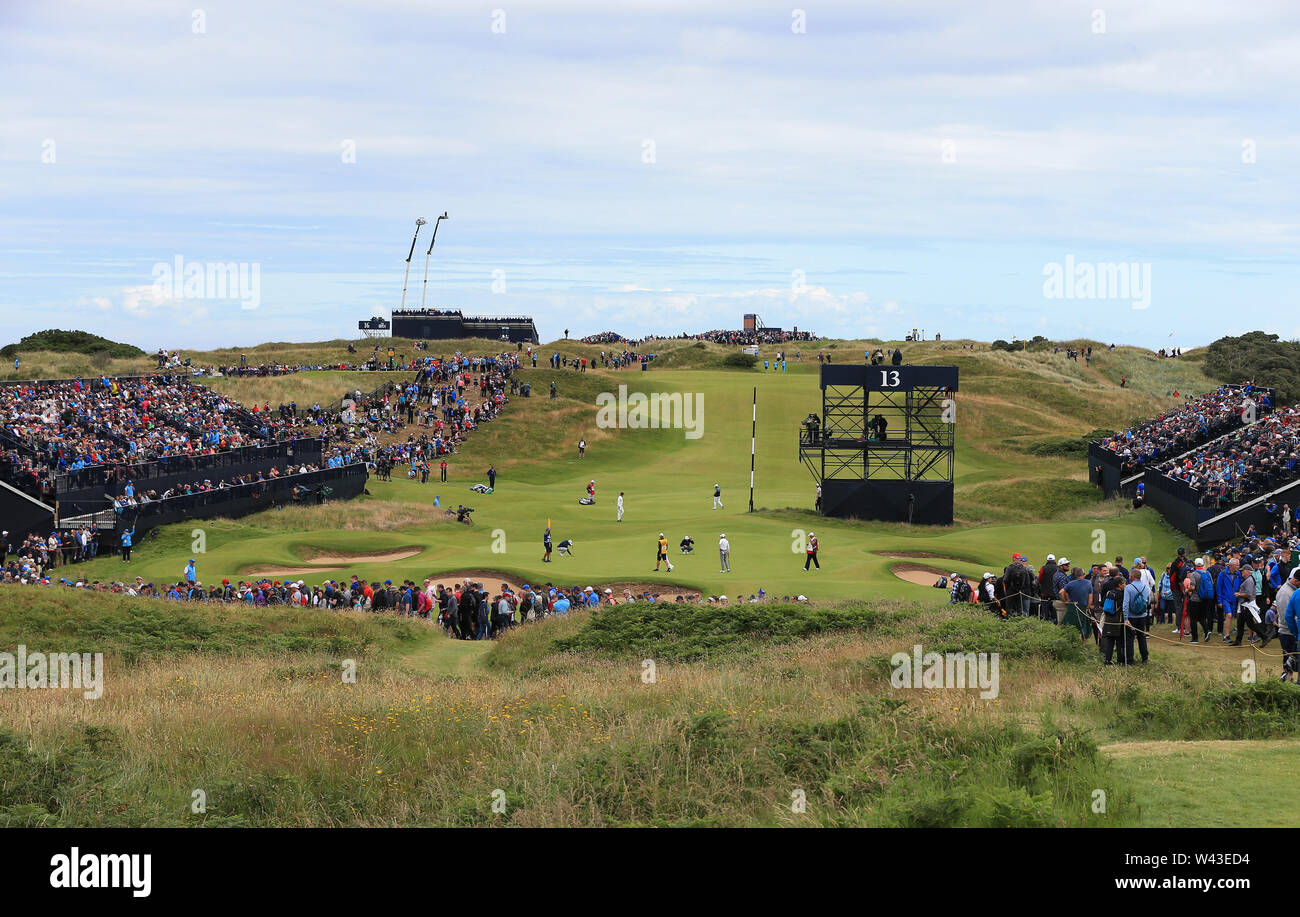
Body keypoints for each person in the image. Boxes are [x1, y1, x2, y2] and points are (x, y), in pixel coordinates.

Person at [1122, 567, 1152, 663]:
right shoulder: (1146, 587)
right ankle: (1145, 658)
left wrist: (1125, 618)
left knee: (1129, 639)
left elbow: (1125, 604)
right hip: (1142, 615)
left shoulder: (1128, 588)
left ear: (1132, 576)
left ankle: (1130, 660)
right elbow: (1148, 601)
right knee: (1141, 637)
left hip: (1131, 616)